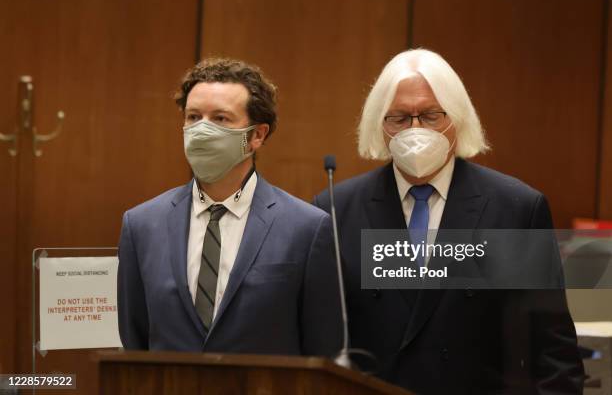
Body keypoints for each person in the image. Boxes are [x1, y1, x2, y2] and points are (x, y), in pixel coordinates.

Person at [314, 49, 584, 394]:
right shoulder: (337, 208)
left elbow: (552, 350)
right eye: (398, 118)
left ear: (456, 117)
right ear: (378, 126)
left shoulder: (514, 209)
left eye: (429, 116)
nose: (414, 131)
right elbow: (320, 341)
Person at [118, 58, 342, 357]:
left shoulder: (307, 228)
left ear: (257, 135)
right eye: (194, 117)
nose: (202, 130)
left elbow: (321, 350)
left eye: (220, 119)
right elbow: (136, 341)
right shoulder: (141, 225)